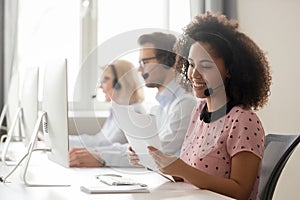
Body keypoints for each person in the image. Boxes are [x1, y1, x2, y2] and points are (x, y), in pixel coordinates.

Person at [129, 12, 272, 200]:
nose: (194, 74)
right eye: (190, 64)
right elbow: (190, 178)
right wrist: (155, 162)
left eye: (205, 65)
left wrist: (182, 169)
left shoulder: (243, 120)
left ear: (229, 69)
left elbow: (241, 191)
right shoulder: (199, 111)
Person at [128, 32, 196, 158]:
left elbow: (154, 152)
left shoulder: (185, 103)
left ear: (167, 61)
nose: (139, 69)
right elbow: (141, 147)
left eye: (144, 62)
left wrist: (101, 157)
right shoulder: (159, 107)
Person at [69, 59, 145, 167]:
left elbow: (139, 153)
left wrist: (98, 156)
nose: (101, 86)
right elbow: (100, 140)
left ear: (119, 83)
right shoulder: (118, 110)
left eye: (106, 80)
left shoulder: (135, 112)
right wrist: (66, 140)